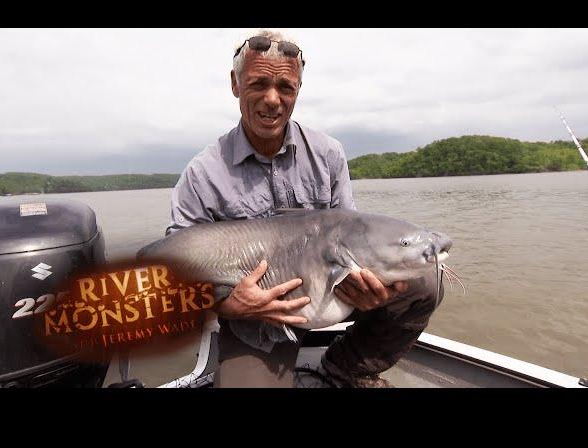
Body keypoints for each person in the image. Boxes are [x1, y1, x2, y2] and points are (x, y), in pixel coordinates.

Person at [166, 29, 443, 388]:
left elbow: (352, 234)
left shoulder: (328, 154)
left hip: (329, 295)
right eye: (258, 83)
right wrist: (229, 306)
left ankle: (346, 366)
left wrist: (368, 288)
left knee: (425, 281)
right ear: (235, 85)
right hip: (255, 325)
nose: (272, 99)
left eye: (286, 87)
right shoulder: (203, 174)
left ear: (298, 89)